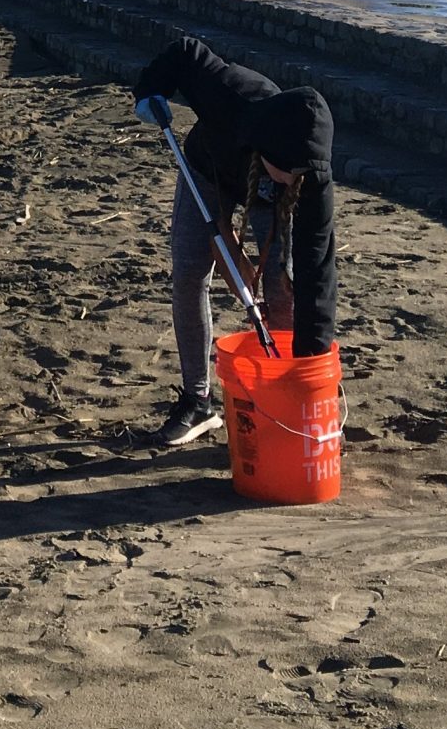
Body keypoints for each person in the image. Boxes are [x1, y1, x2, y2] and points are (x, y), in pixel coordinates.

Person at [130, 36, 336, 447]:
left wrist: (312, 369)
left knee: (284, 286)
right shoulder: (228, 95)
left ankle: (285, 391)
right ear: (272, 146)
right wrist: (150, 89)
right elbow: (185, 51)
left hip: (265, 196)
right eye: (290, 170)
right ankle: (198, 400)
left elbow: (320, 270)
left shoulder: (307, 178)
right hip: (207, 169)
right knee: (189, 271)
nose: (297, 179)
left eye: (303, 174)